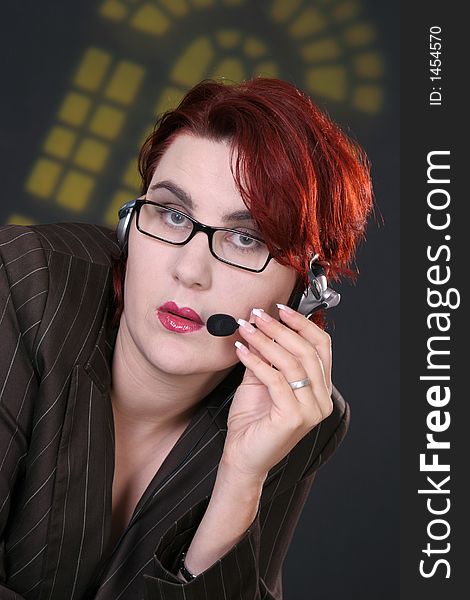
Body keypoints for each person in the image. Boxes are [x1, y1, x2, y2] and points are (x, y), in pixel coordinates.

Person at [0, 77, 373, 599]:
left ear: (305, 288)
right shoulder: (21, 283)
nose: (190, 270)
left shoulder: (293, 415)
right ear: (132, 223)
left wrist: (241, 482)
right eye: (173, 214)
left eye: (245, 238)